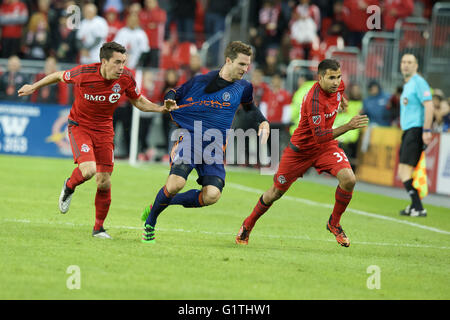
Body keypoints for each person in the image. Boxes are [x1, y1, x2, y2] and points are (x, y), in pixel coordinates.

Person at [17, 42, 177, 239]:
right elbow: (59, 75)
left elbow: (138, 100)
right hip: (80, 127)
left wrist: (161, 108)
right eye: (117, 62)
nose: (121, 67)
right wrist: (33, 87)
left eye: (123, 62)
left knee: (104, 181)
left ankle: (98, 229)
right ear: (104, 61)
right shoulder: (83, 73)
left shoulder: (126, 78)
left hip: (104, 131)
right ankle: (69, 185)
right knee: (89, 170)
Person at [140, 41, 271, 243]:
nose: (246, 70)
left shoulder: (243, 87)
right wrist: (169, 101)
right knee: (176, 183)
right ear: (228, 60)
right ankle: (151, 221)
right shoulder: (202, 81)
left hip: (215, 147)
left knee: (212, 195)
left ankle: (163, 202)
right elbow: (175, 92)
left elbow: (250, 107)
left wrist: (262, 121)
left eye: (248, 65)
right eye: (242, 64)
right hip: (191, 137)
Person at [235, 59, 369, 247]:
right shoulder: (314, 100)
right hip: (300, 152)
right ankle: (247, 225)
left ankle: (334, 223)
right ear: (320, 78)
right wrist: (348, 126)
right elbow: (320, 135)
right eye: (331, 78)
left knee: (349, 180)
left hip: (325, 148)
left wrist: (343, 101)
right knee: (275, 193)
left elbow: (339, 95)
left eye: (338, 77)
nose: (336, 82)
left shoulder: (338, 87)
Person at [397, 53, 434, 217]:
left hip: (416, 130)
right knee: (404, 171)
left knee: (404, 171)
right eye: (404, 62)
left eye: (410, 62)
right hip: (409, 131)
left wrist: (426, 130)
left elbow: (429, 106)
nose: (406, 65)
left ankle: (418, 207)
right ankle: (415, 206)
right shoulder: (408, 84)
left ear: (416, 66)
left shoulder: (419, 82)